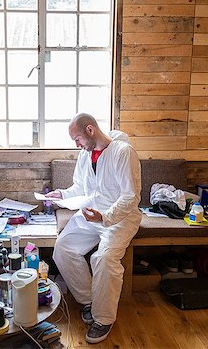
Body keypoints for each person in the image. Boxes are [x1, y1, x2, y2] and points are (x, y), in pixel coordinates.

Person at [47, 113, 141, 343]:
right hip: (91, 214)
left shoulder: (122, 152)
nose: (76, 144)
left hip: (119, 218)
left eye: (77, 138)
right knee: (62, 248)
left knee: (104, 258)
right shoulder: (84, 155)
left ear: (90, 130)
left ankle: (103, 318)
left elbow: (131, 197)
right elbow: (80, 187)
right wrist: (62, 194)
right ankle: (90, 300)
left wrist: (106, 217)